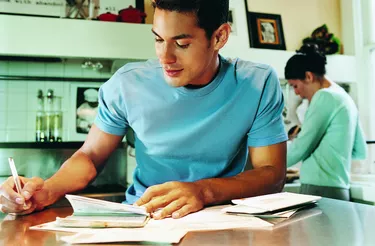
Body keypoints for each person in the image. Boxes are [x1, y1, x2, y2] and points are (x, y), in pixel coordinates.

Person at [0, 0, 287, 219]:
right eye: (159, 39)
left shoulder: (256, 83)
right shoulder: (127, 84)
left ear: (219, 37)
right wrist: (47, 190)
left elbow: (272, 173)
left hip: (222, 219)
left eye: (182, 43)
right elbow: (90, 156)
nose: (165, 57)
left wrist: (203, 190)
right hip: (146, 217)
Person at [285, 44, 367, 201]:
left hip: (319, 189)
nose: (296, 92)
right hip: (340, 190)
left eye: (295, 85)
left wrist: (267, 161)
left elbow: (299, 148)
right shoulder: (345, 98)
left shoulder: (324, 97)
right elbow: (360, 150)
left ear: (309, 77)